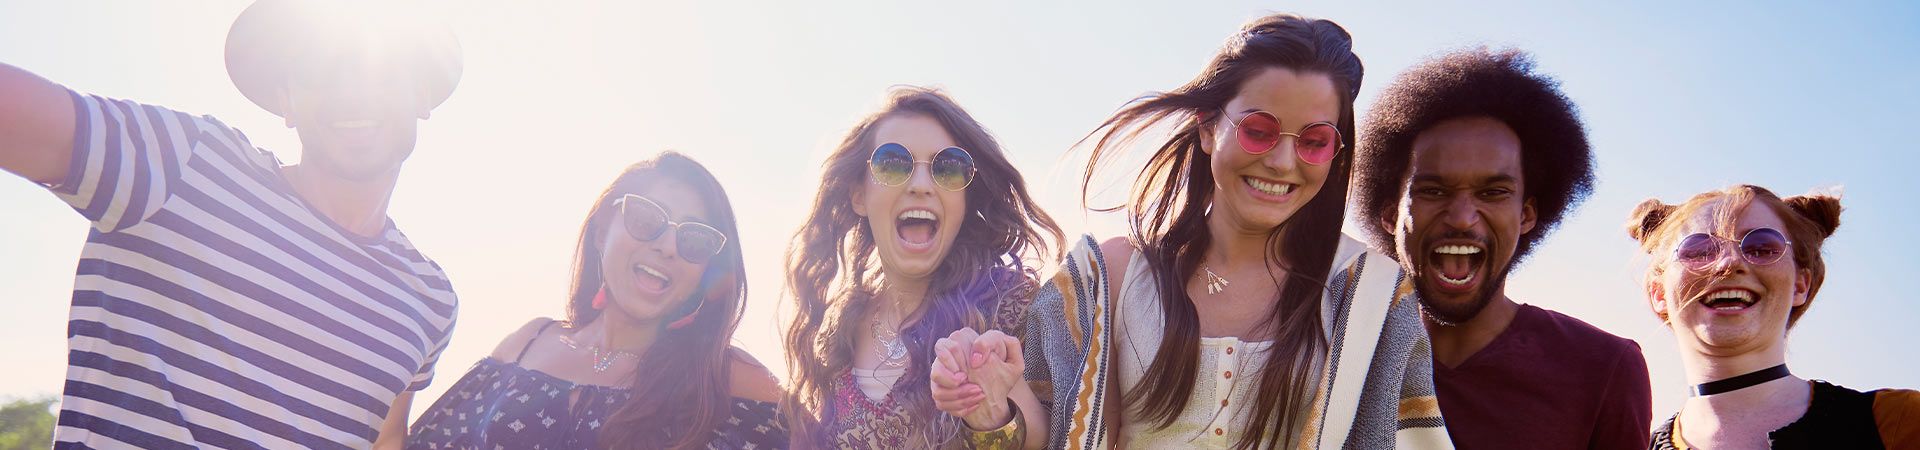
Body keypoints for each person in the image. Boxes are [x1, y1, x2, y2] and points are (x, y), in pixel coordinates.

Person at [0, 0, 461, 447]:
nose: (353, 92)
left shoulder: (428, 298)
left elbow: (384, 439)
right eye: (321, 71)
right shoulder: (185, 163)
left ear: (421, 95)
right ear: (287, 102)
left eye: (383, 70)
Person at [994, 13, 1451, 449]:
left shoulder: (1373, 296)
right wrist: (989, 407)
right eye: (1259, 130)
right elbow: (1055, 434)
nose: (1282, 162)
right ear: (1209, 129)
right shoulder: (1109, 276)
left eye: (1314, 141)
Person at [1349, 48, 1651, 449]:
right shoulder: (1334, 360)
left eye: (1493, 192)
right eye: (1433, 190)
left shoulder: (1602, 368)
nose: (1461, 217)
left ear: (1527, 214)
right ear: (1389, 215)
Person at [402, 152, 787, 449]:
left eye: (695, 240)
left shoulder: (727, 377)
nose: (668, 246)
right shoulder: (529, 342)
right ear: (603, 230)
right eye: (647, 218)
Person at [781, 87, 1062, 449]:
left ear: (965, 197)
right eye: (893, 164)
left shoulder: (1010, 306)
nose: (921, 185)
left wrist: (989, 412)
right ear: (858, 195)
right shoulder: (835, 331)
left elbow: (1046, 439)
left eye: (947, 168)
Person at [1627, 185, 1920, 449]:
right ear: (1659, 294)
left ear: (1800, 285)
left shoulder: (1900, 422)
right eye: (1699, 250)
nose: (1728, 263)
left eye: (1762, 247)